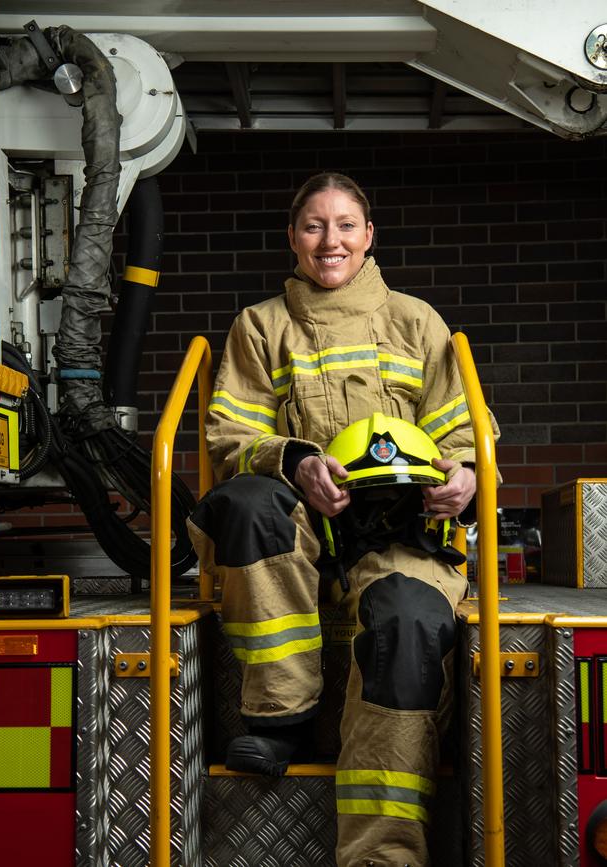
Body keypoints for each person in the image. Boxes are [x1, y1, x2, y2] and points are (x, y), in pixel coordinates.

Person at [187, 172, 499, 867]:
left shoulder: (419, 322)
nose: (330, 240)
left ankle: (383, 858)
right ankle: (281, 716)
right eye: (313, 226)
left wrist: (464, 480)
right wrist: (296, 461)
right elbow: (231, 436)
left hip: (403, 537)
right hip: (303, 530)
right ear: (292, 240)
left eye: (346, 224)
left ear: (369, 237)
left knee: (408, 619)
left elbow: (463, 438)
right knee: (241, 502)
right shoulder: (261, 325)